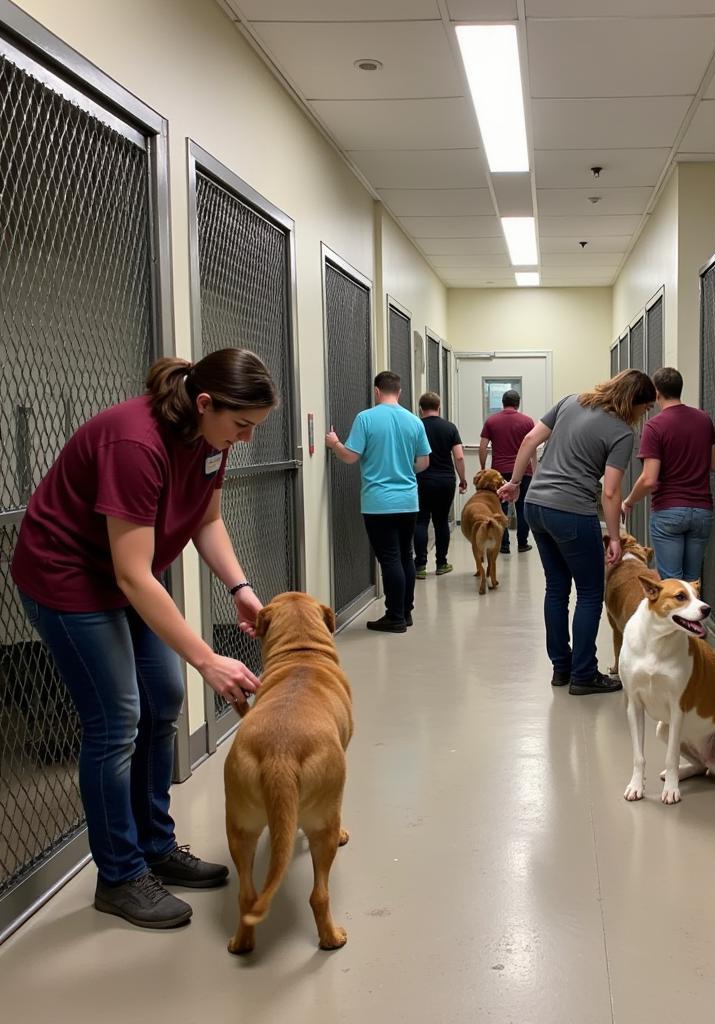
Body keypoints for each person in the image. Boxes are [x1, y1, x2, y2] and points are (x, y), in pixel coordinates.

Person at [12, 349, 278, 930]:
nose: (246, 439)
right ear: (205, 403)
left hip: (128, 578)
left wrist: (239, 586)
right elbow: (132, 573)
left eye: (254, 428)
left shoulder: (212, 441)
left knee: (164, 699)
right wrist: (207, 659)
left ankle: (156, 846)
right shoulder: (136, 443)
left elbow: (206, 521)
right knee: (116, 718)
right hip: (69, 580)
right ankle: (120, 874)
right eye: (242, 425)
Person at [498, 369, 656, 696]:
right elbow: (610, 492)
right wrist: (615, 537)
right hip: (571, 511)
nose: (645, 414)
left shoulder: (571, 401)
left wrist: (514, 483)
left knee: (556, 588)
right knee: (589, 592)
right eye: (645, 407)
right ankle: (583, 674)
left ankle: (561, 668)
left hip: (536, 505)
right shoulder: (623, 433)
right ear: (634, 402)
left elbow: (530, 440)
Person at [326, 371, 430, 634]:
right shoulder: (414, 421)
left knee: (390, 558)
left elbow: (350, 457)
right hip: (408, 500)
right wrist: (402, 469)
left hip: (378, 502)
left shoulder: (366, 418)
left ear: (376, 391)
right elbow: (423, 462)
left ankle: (394, 617)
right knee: (406, 555)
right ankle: (405, 612)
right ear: (400, 391)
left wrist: (334, 443)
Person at [621, 366, 715, 581]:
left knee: (671, 582)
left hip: (669, 511)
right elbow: (714, 464)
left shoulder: (654, 426)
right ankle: (693, 616)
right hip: (702, 510)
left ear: (656, 393)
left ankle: (673, 617)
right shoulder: (704, 419)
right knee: (692, 581)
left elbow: (649, 479)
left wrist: (628, 501)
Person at [414, 391, 467, 579]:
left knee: (421, 521)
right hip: (445, 481)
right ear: (439, 407)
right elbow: (459, 456)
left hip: (421, 479)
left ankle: (419, 566)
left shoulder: (415, 426)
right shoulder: (450, 427)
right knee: (441, 521)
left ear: (421, 409)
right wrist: (462, 479)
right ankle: (441, 564)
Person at [480, 389, 536, 554]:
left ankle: (503, 545)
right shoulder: (527, 422)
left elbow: (483, 446)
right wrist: (534, 468)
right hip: (523, 471)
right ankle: (522, 543)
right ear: (518, 403)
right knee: (522, 507)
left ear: (502, 403)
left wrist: (483, 468)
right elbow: (532, 446)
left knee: (500, 508)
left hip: (499, 472)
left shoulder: (491, 421)